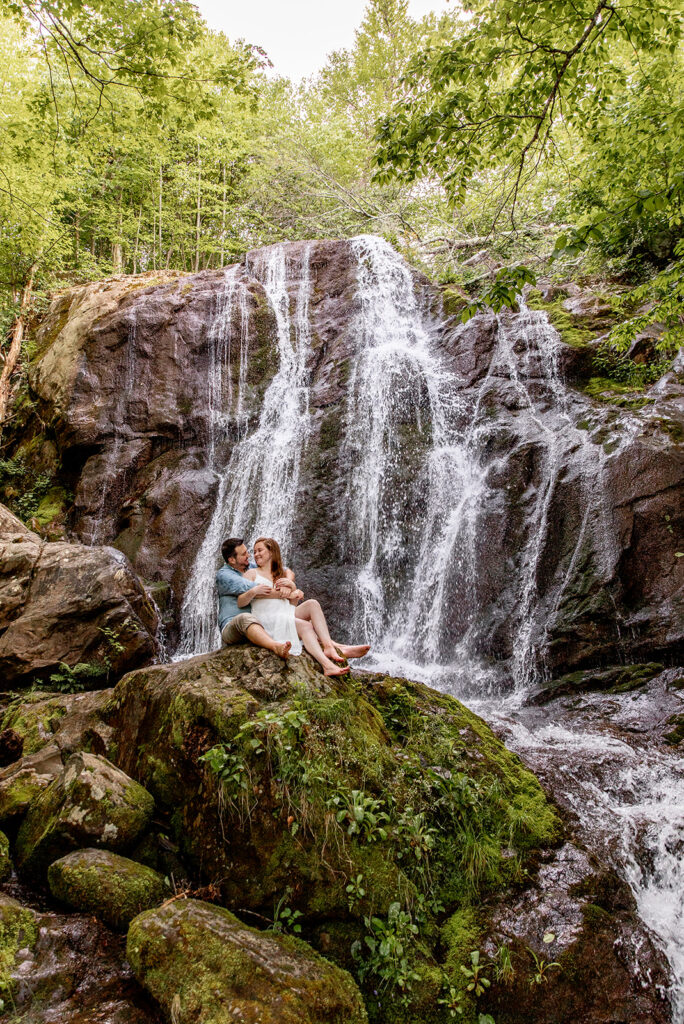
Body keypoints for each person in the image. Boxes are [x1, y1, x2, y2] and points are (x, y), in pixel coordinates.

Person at [247, 536, 371, 676]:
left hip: (283, 612)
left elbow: (289, 603)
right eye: (254, 551)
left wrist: (294, 593)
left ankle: (330, 646)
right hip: (266, 617)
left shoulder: (280, 575)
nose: (256, 554)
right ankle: (327, 665)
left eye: (260, 550)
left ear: (271, 552)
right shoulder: (251, 574)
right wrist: (288, 592)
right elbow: (249, 595)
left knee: (312, 604)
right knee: (306, 625)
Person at [216, 537, 292, 660]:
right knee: (244, 618)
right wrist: (289, 593)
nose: (249, 555)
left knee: (293, 613)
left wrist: (287, 582)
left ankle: (327, 644)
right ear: (231, 560)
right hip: (232, 627)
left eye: (247, 551)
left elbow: (286, 570)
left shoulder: (251, 567)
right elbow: (258, 589)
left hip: (260, 622)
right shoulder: (224, 575)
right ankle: (275, 646)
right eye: (244, 554)